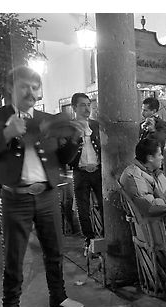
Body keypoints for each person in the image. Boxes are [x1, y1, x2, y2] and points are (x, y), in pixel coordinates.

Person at [0, 65, 85, 307]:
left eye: (35, 87)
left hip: (47, 195)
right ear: (11, 88)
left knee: (55, 250)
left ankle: (58, 296)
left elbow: (64, 159)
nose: (31, 92)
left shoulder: (47, 119)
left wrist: (74, 139)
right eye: (25, 86)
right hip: (15, 197)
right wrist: (7, 134)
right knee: (14, 255)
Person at [119, 138, 166, 240]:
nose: (162, 157)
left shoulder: (154, 172)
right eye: (160, 154)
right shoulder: (134, 176)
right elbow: (150, 205)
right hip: (160, 230)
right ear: (150, 158)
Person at [67, 93, 103, 256]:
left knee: (104, 205)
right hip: (80, 172)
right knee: (83, 209)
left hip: (97, 170)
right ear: (74, 108)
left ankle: (105, 237)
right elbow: (66, 152)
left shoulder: (96, 125)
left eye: (89, 104)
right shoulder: (69, 127)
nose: (87, 108)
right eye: (83, 105)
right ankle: (88, 240)